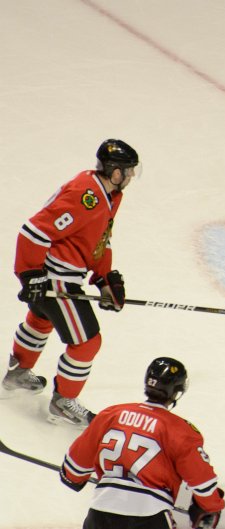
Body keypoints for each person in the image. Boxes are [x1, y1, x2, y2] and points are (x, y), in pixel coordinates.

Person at [2, 139, 138, 427]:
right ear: (115, 172)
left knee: (40, 321)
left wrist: (103, 278)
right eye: (128, 171)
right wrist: (30, 274)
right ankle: (63, 402)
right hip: (56, 279)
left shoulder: (110, 195)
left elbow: (100, 238)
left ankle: (17, 373)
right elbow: (33, 231)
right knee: (87, 343)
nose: (131, 177)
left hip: (59, 275)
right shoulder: (86, 194)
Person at [59, 357, 225, 529]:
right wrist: (211, 507)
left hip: (99, 514)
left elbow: (73, 471)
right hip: (150, 516)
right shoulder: (181, 430)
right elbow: (202, 482)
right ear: (176, 393)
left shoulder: (110, 414)